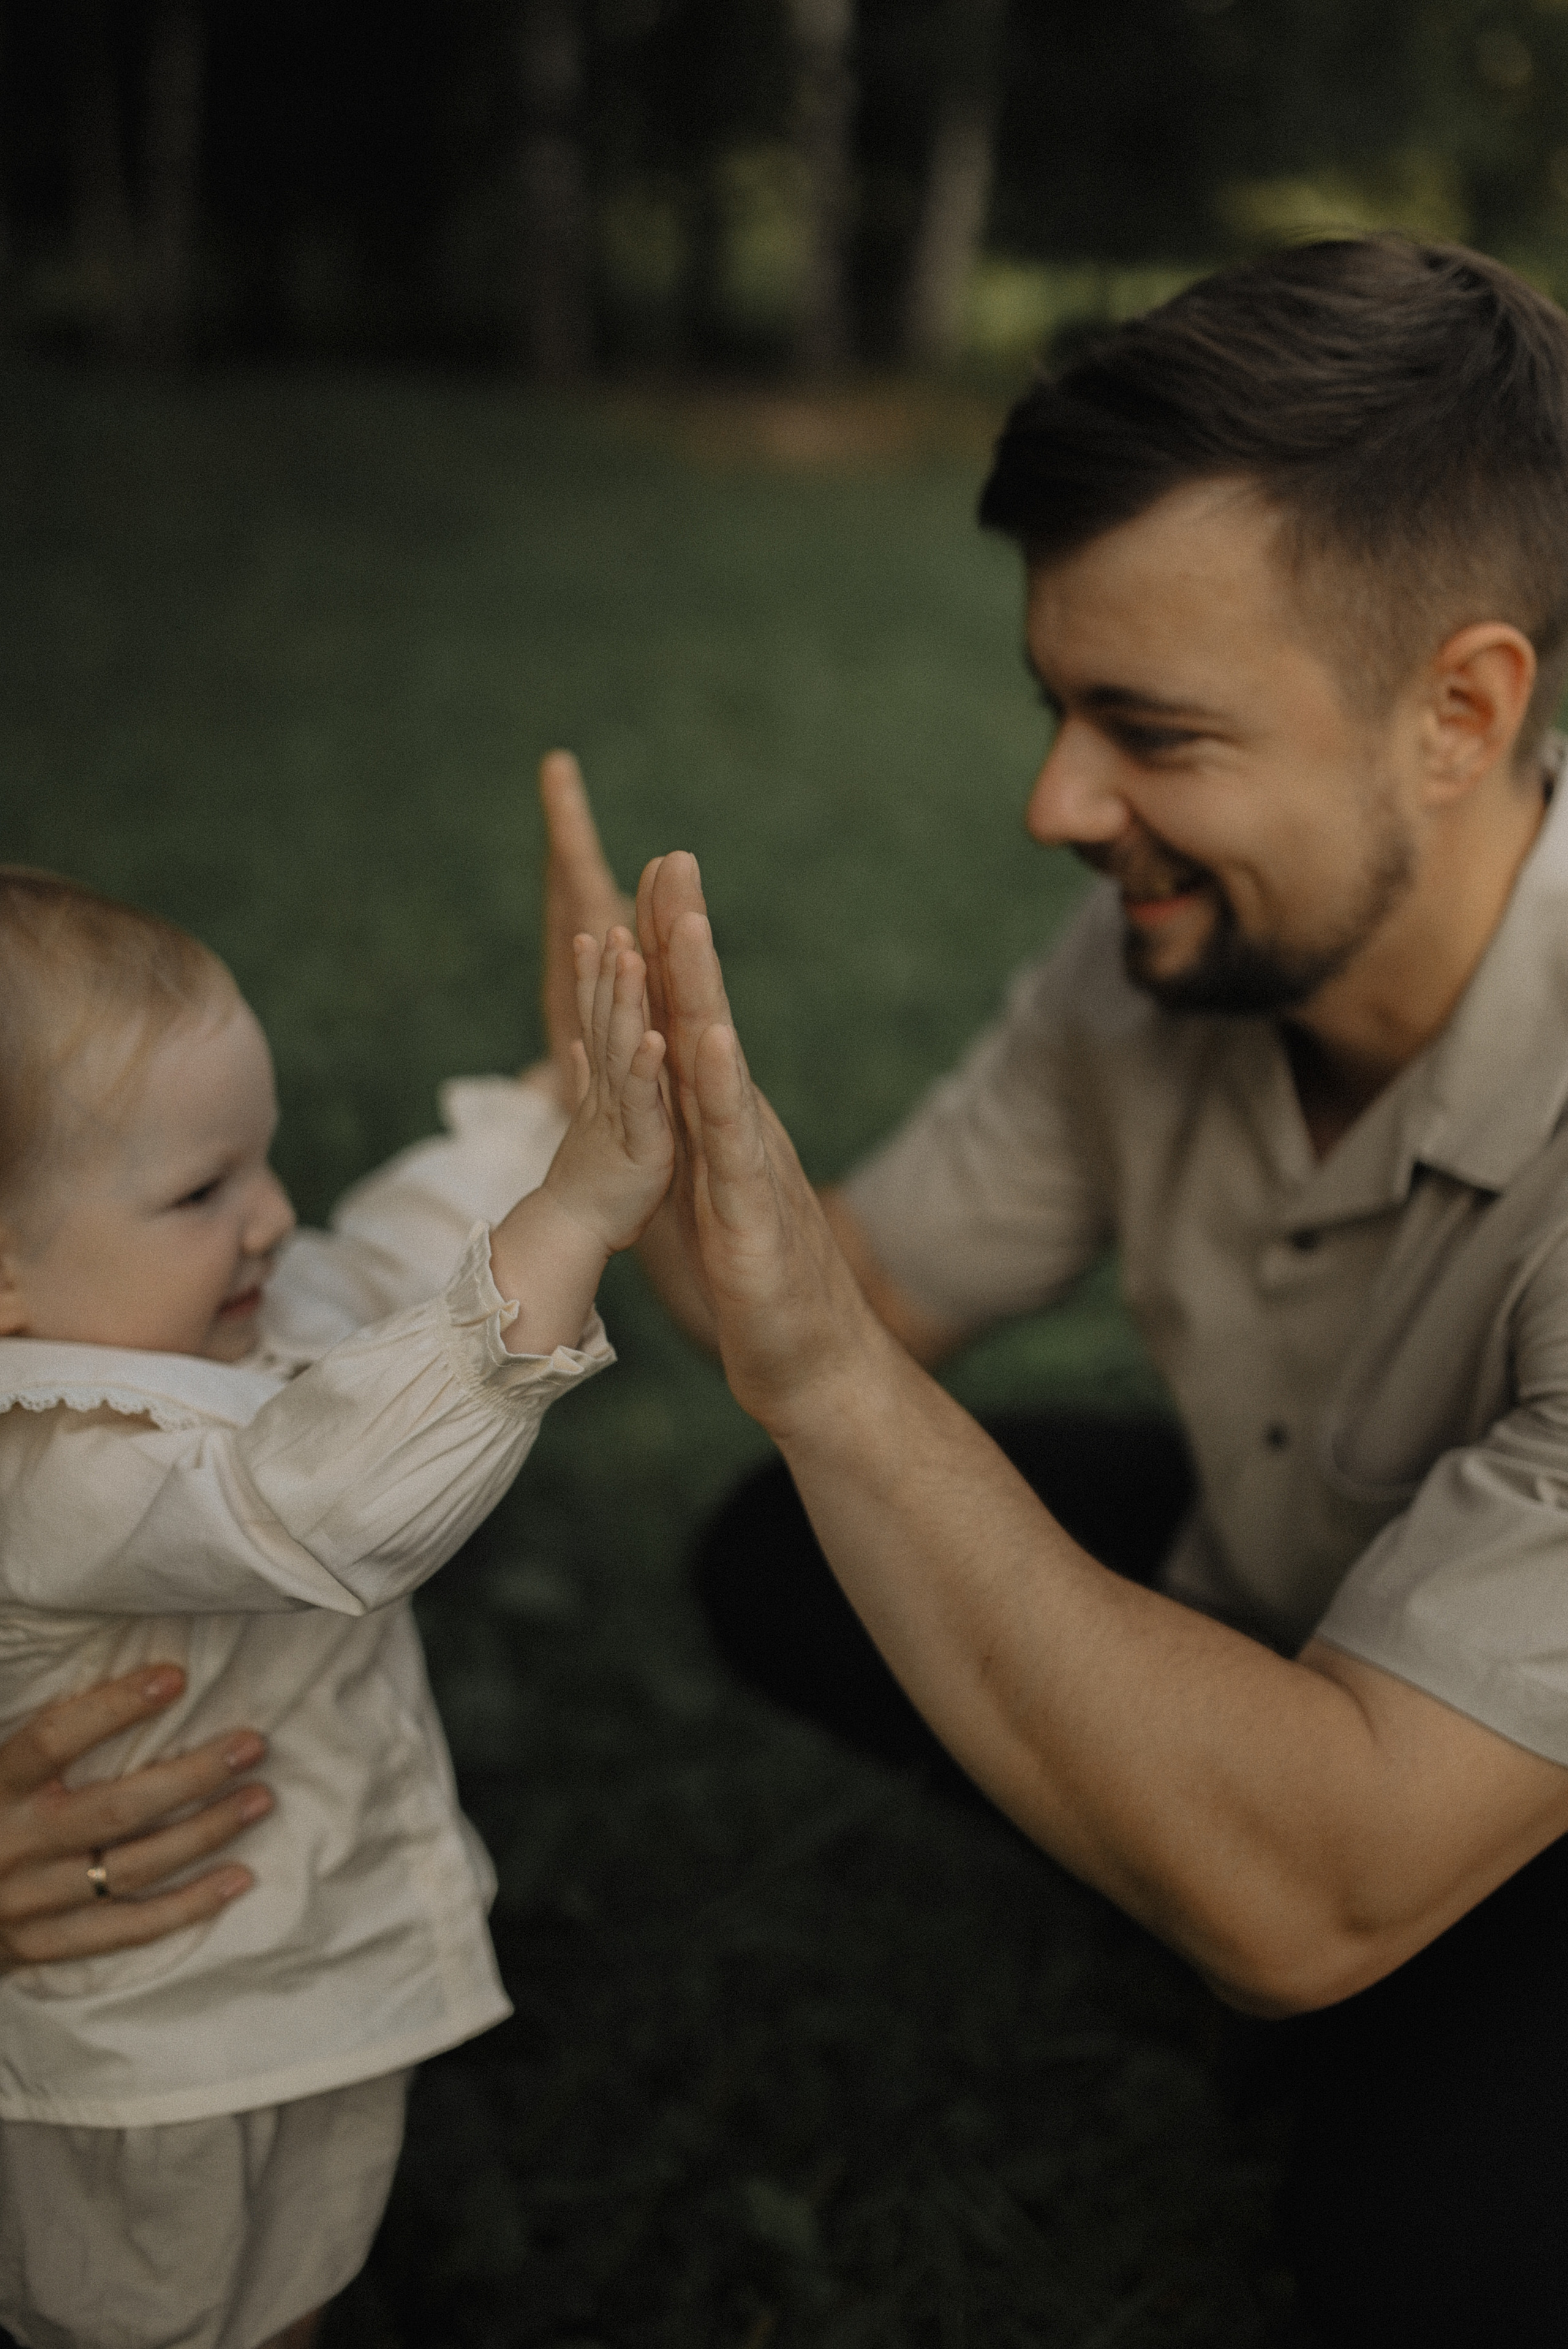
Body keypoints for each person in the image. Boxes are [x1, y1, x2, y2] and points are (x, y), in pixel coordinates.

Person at [540, 238, 1568, 2345]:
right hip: (1282, 1561)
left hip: (1510, 1776)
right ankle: (1190, 1798)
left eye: (1151, 730)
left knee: (1429, 2253)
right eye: (1056, 707)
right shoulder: (1153, 963)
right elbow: (843, 1303)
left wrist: (827, 1370)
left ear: (1460, 710)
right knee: (786, 1556)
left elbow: (1316, 1900)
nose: (1058, 805)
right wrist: (644, 1127)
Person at [0, 869, 672, 2349]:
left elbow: (377, 1266)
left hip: (271, 1978)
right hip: (148, 2043)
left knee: (282, 2300)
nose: (271, 1216)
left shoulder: (177, 1314)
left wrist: (527, 1114)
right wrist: (570, 1213)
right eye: (201, 1191)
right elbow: (318, 1503)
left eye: (261, 1161)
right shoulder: (50, 1465)